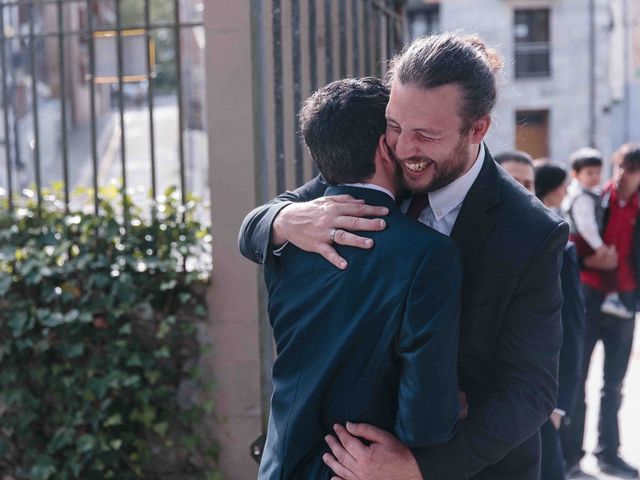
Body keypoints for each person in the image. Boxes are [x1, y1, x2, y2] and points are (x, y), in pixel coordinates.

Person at [239, 32, 568, 480]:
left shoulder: (532, 232)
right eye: (394, 127)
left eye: (425, 136)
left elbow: (530, 392)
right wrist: (282, 220)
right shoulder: (383, 150)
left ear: (478, 129)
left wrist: (418, 468)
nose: (403, 149)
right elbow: (263, 219)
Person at [257, 77, 463, 479]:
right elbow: (425, 420)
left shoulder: (288, 235)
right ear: (386, 147)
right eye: (399, 131)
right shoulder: (429, 255)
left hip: (281, 464)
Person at [564, 144, 640, 479]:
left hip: (624, 300)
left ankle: (608, 453)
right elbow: (571, 241)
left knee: (615, 384)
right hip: (589, 297)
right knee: (575, 380)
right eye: (622, 167)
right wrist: (585, 261)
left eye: (633, 170)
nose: (625, 176)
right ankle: (570, 456)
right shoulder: (594, 199)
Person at [534, 162, 587, 480]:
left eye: (525, 181)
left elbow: (573, 331)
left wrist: (559, 406)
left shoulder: (560, 246)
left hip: (541, 408)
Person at [562, 148, 628, 318]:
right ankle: (611, 298)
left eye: (598, 172)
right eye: (589, 173)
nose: (595, 177)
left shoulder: (590, 192)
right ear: (575, 174)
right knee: (608, 263)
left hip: (588, 241)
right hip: (584, 242)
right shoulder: (582, 197)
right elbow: (587, 227)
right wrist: (600, 248)